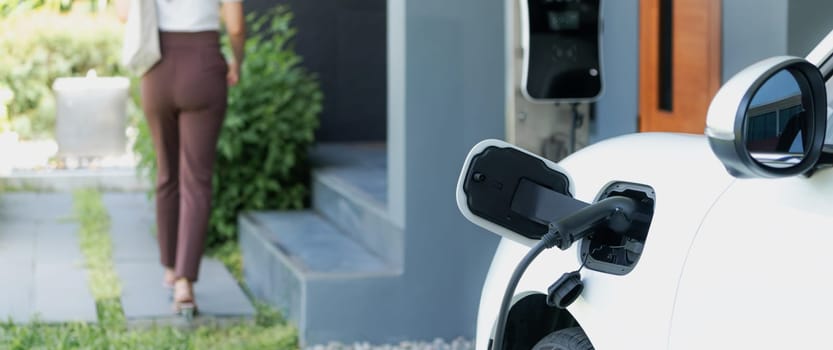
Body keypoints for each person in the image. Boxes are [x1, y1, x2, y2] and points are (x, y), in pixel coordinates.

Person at [116, 0, 246, 316]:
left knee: (166, 174)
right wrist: (237, 61)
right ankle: (185, 282)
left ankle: (170, 269)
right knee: (196, 181)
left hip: (157, 66)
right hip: (203, 64)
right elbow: (236, 26)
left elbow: (123, 13)